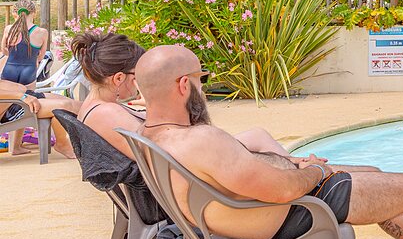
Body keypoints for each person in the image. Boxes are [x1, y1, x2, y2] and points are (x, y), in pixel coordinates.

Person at [135, 45, 403, 239]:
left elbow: (247, 175)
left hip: (253, 210)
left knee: (376, 175)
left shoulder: (151, 136)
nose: (203, 88)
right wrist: (315, 170)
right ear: (184, 85)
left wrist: (290, 166)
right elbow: (281, 190)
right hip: (293, 211)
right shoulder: (199, 139)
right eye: (200, 80)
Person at [74, 31, 317, 163]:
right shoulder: (107, 113)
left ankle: (298, 168)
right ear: (118, 79)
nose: (141, 84)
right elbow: (161, 152)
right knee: (258, 138)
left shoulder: (98, 107)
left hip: (169, 176)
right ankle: (302, 175)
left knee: (257, 137)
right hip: (175, 184)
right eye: (137, 76)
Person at [0, 78, 78, 158]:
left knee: (76, 105)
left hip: (19, 97)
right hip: (13, 104)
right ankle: (62, 144)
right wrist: (22, 96)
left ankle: (17, 147)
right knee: (64, 106)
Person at [1, 0, 48, 86]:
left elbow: (3, 51)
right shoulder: (42, 32)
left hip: (9, 69)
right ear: (34, 13)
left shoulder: (9, 29)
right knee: (28, 97)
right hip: (29, 70)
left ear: (14, 13)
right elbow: (41, 57)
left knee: (9, 98)